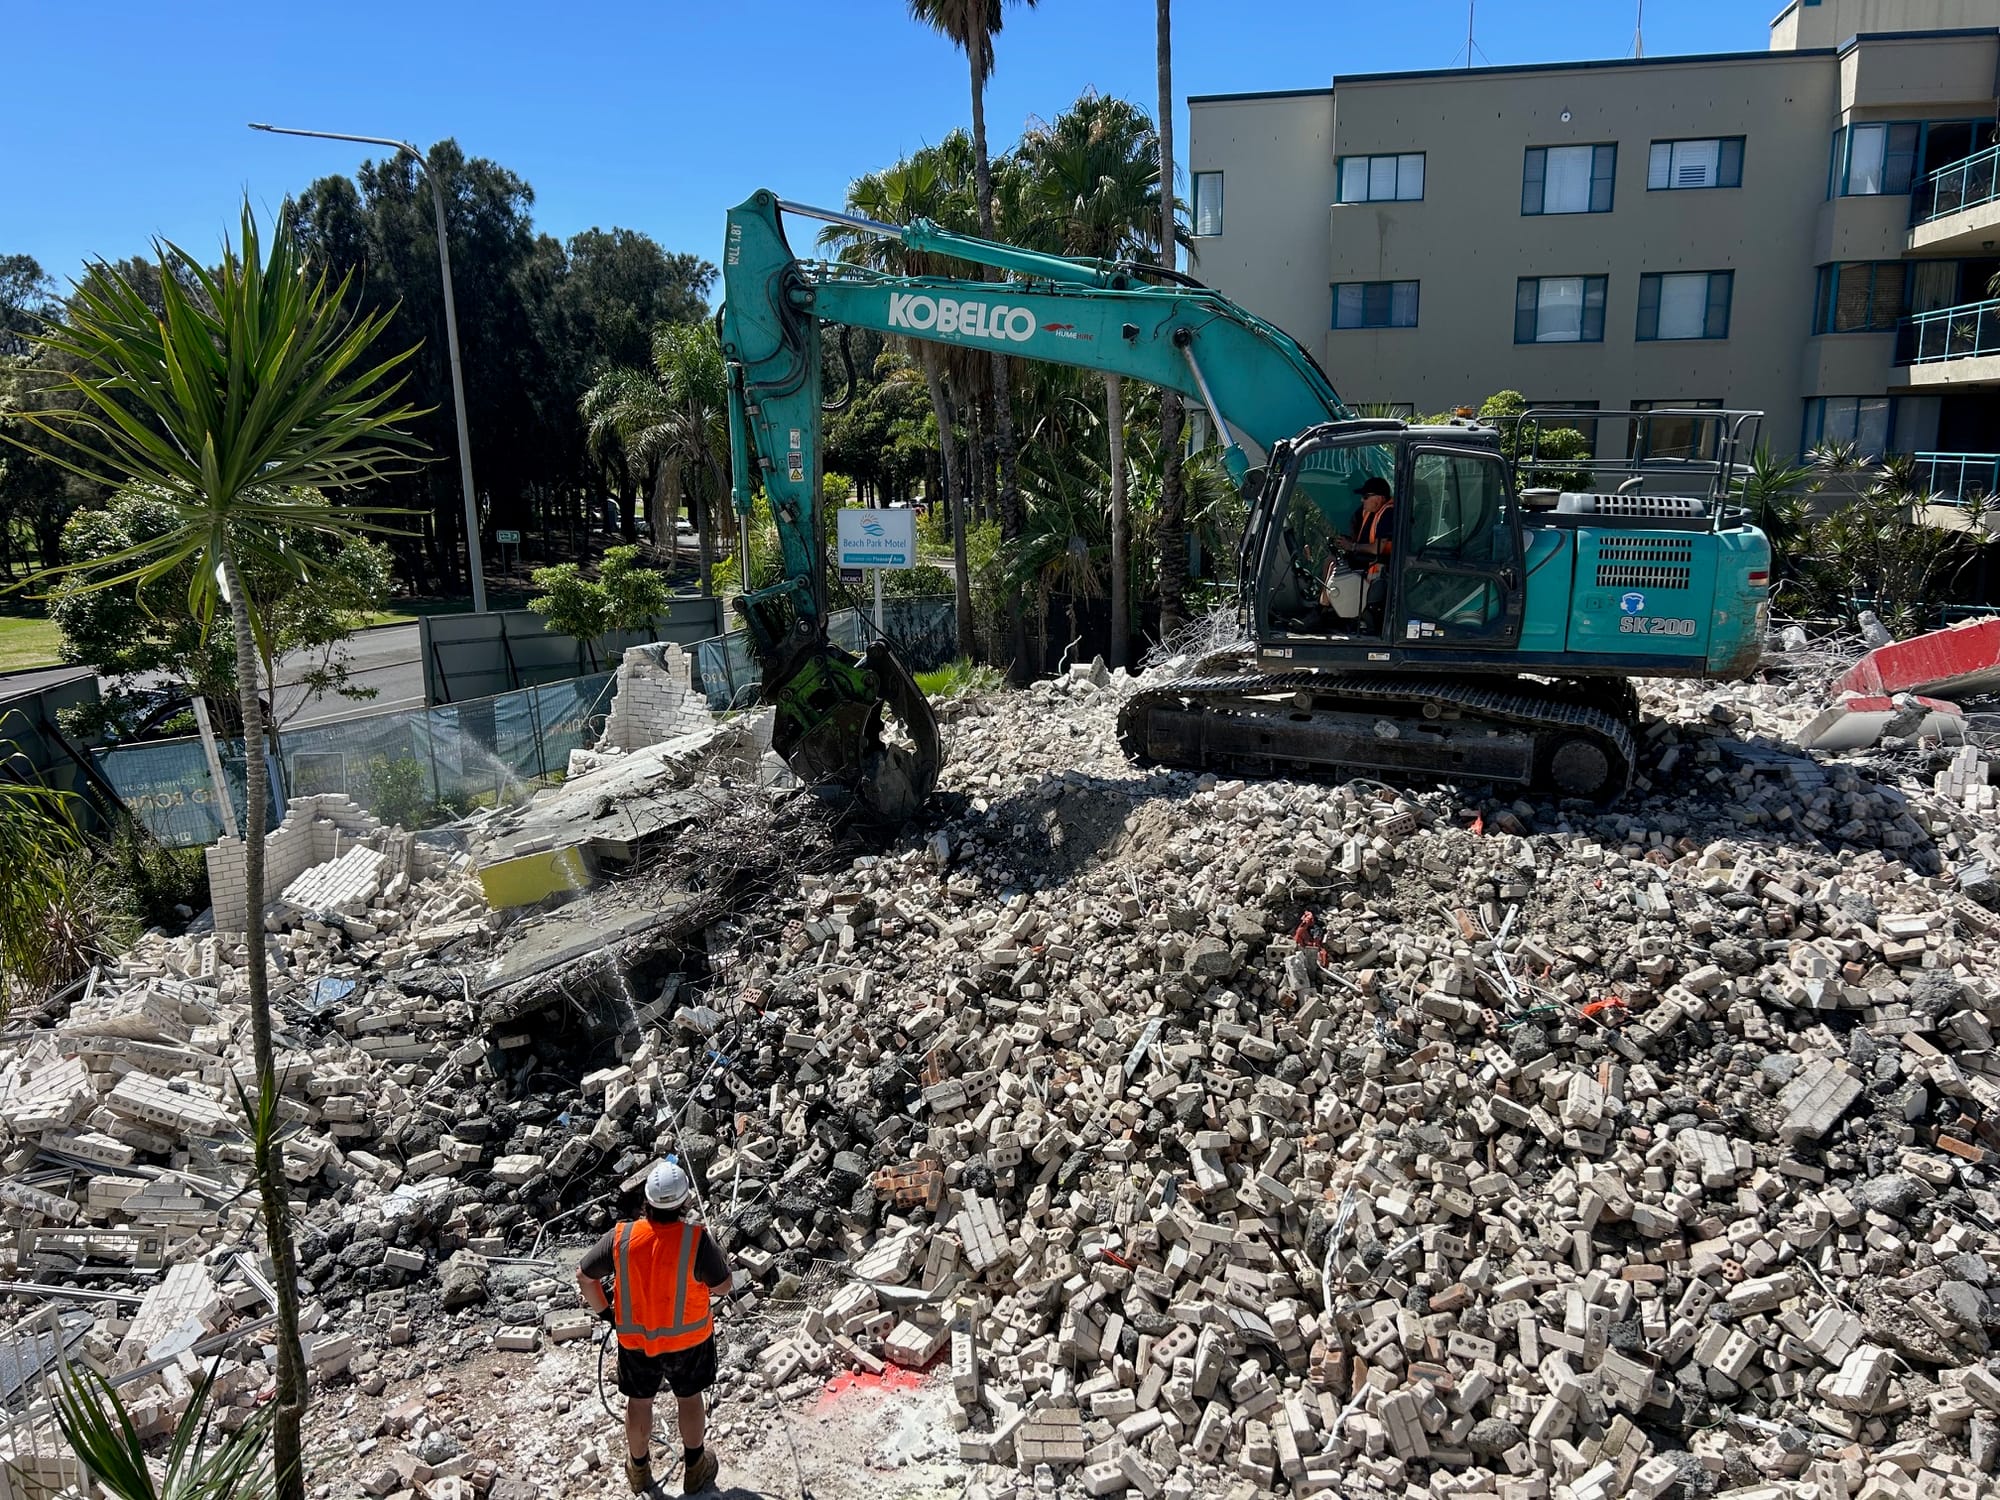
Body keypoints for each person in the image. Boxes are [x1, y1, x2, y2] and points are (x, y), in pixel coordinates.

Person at [578, 1159, 733, 1495]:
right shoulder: (697, 1241)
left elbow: (585, 1277)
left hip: (637, 1342)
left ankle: (638, 1470)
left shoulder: (621, 1237)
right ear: (684, 1203)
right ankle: (695, 1467)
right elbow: (723, 1287)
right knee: (689, 1398)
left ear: (645, 1200)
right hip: (689, 1342)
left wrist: (607, 1314)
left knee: (639, 1402)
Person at [1321, 476, 1397, 629]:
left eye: (1366, 497)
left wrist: (1353, 547)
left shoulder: (1388, 513)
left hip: (1375, 566)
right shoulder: (1369, 511)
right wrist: (1347, 542)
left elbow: (1377, 548)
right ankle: (1325, 608)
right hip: (1363, 560)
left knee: (1332, 562)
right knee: (1330, 559)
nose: (1362, 500)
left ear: (1379, 498)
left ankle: (1323, 611)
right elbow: (1356, 527)